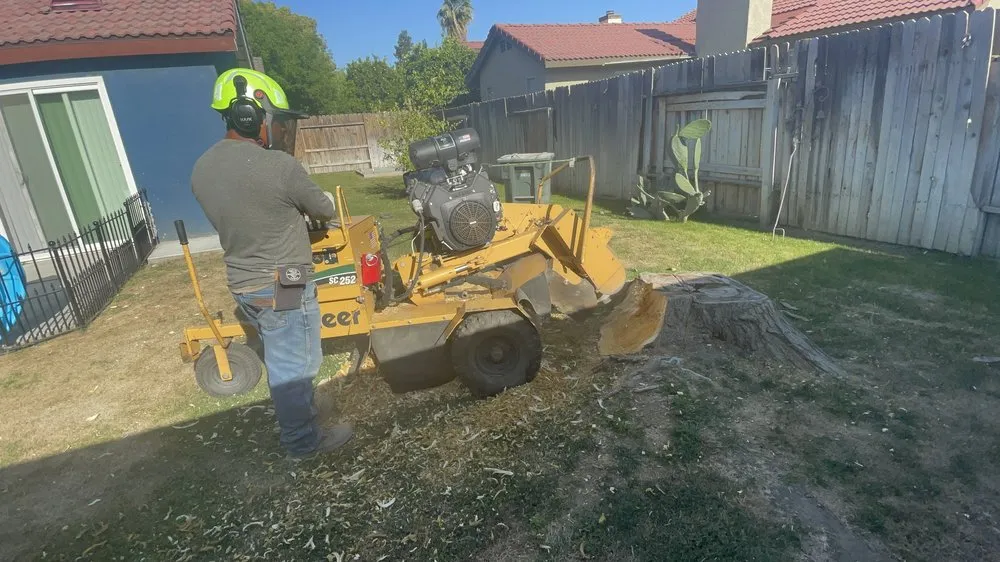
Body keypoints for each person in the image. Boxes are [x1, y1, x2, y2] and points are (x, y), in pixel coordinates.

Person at [190, 68, 353, 461]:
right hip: (284, 278)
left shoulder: (202, 169)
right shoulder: (279, 166)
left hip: (244, 282)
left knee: (303, 352)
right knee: (292, 365)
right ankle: (303, 442)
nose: (277, 130)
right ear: (251, 115)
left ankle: (306, 413)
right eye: (274, 120)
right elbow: (324, 207)